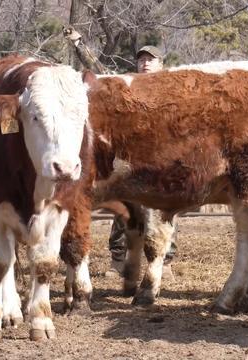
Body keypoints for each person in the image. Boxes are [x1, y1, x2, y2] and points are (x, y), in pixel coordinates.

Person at [106, 45, 177, 278]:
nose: (145, 63)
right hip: (129, 157)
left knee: (164, 209)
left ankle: (164, 260)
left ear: (161, 64)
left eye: (151, 59)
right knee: (124, 206)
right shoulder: (126, 87)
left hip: (161, 158)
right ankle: (118, 259)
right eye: (142, 59)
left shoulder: (172, 90)